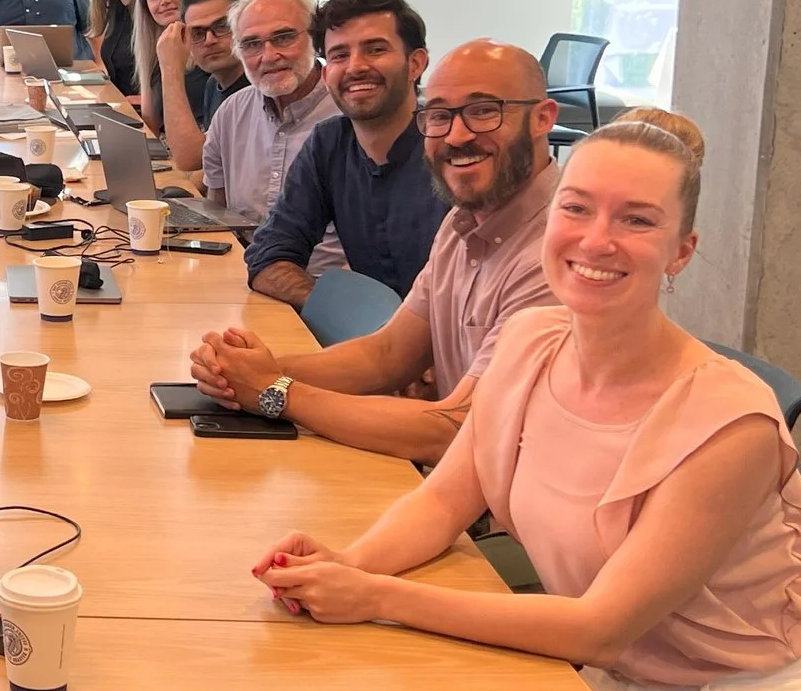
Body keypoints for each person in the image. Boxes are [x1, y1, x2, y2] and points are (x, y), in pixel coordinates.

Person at [251, 112, 801, 691]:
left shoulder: (729, 421)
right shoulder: (532, 338)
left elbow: (599, 624)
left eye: (637, 219)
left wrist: (377, 595)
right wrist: (346, 565)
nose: (595, 238)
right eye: (577, 207)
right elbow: (448, 496)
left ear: (681, 250)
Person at [193, 40, 561, 464]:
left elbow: (458, 429)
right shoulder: (463, 225)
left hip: (516, 520)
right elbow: (386, 356)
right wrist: (244, 369)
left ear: (542, 118)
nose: (457, 136)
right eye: (439, 116)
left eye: (483, 111)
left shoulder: (560, 253)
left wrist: (277, 392)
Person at [240, 0, 446, 306]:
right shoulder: (329, 143)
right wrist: (338, 312)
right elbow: (269, 254)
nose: (355, 67)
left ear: (416, 63)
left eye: (375, 49)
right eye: (339, 55)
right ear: (326, 73)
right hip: (370, 344)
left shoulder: (452, 149)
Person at [193, 0, 338, 249]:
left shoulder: (349, 115)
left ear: (315, 40)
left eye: (284, 37)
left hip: (320, 282)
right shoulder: (231, 113)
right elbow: (218, 220)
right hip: (241, 272)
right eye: (252, 44)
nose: (269, 56)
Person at [138, 0, 215, 152]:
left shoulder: (211, 48)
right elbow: (151, 125)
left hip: (197, 157)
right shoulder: (154, 50)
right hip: (166, 152)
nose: (164, 0)